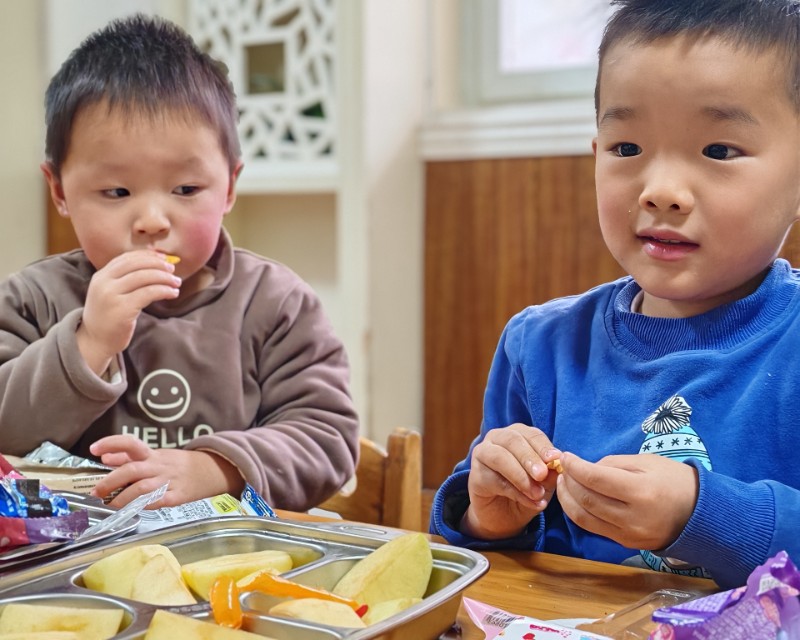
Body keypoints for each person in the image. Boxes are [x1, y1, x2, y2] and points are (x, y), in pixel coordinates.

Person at [430, 0, 800, 589]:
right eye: (627, 149)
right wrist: (488, 516)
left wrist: (704, 514)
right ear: (596, 156)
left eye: (718, 151)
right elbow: (487, 564)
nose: (661, 190)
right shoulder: (541, 347)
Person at [0, 14, 359, 512]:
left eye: (186, 189)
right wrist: (89, 343)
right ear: (59, 190)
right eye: (116, 192)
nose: (151, 220)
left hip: (229, 552)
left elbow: (327, 438)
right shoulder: (30, 300)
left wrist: (214, 468)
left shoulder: (276, 304)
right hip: (71, 555)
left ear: (229, 186)